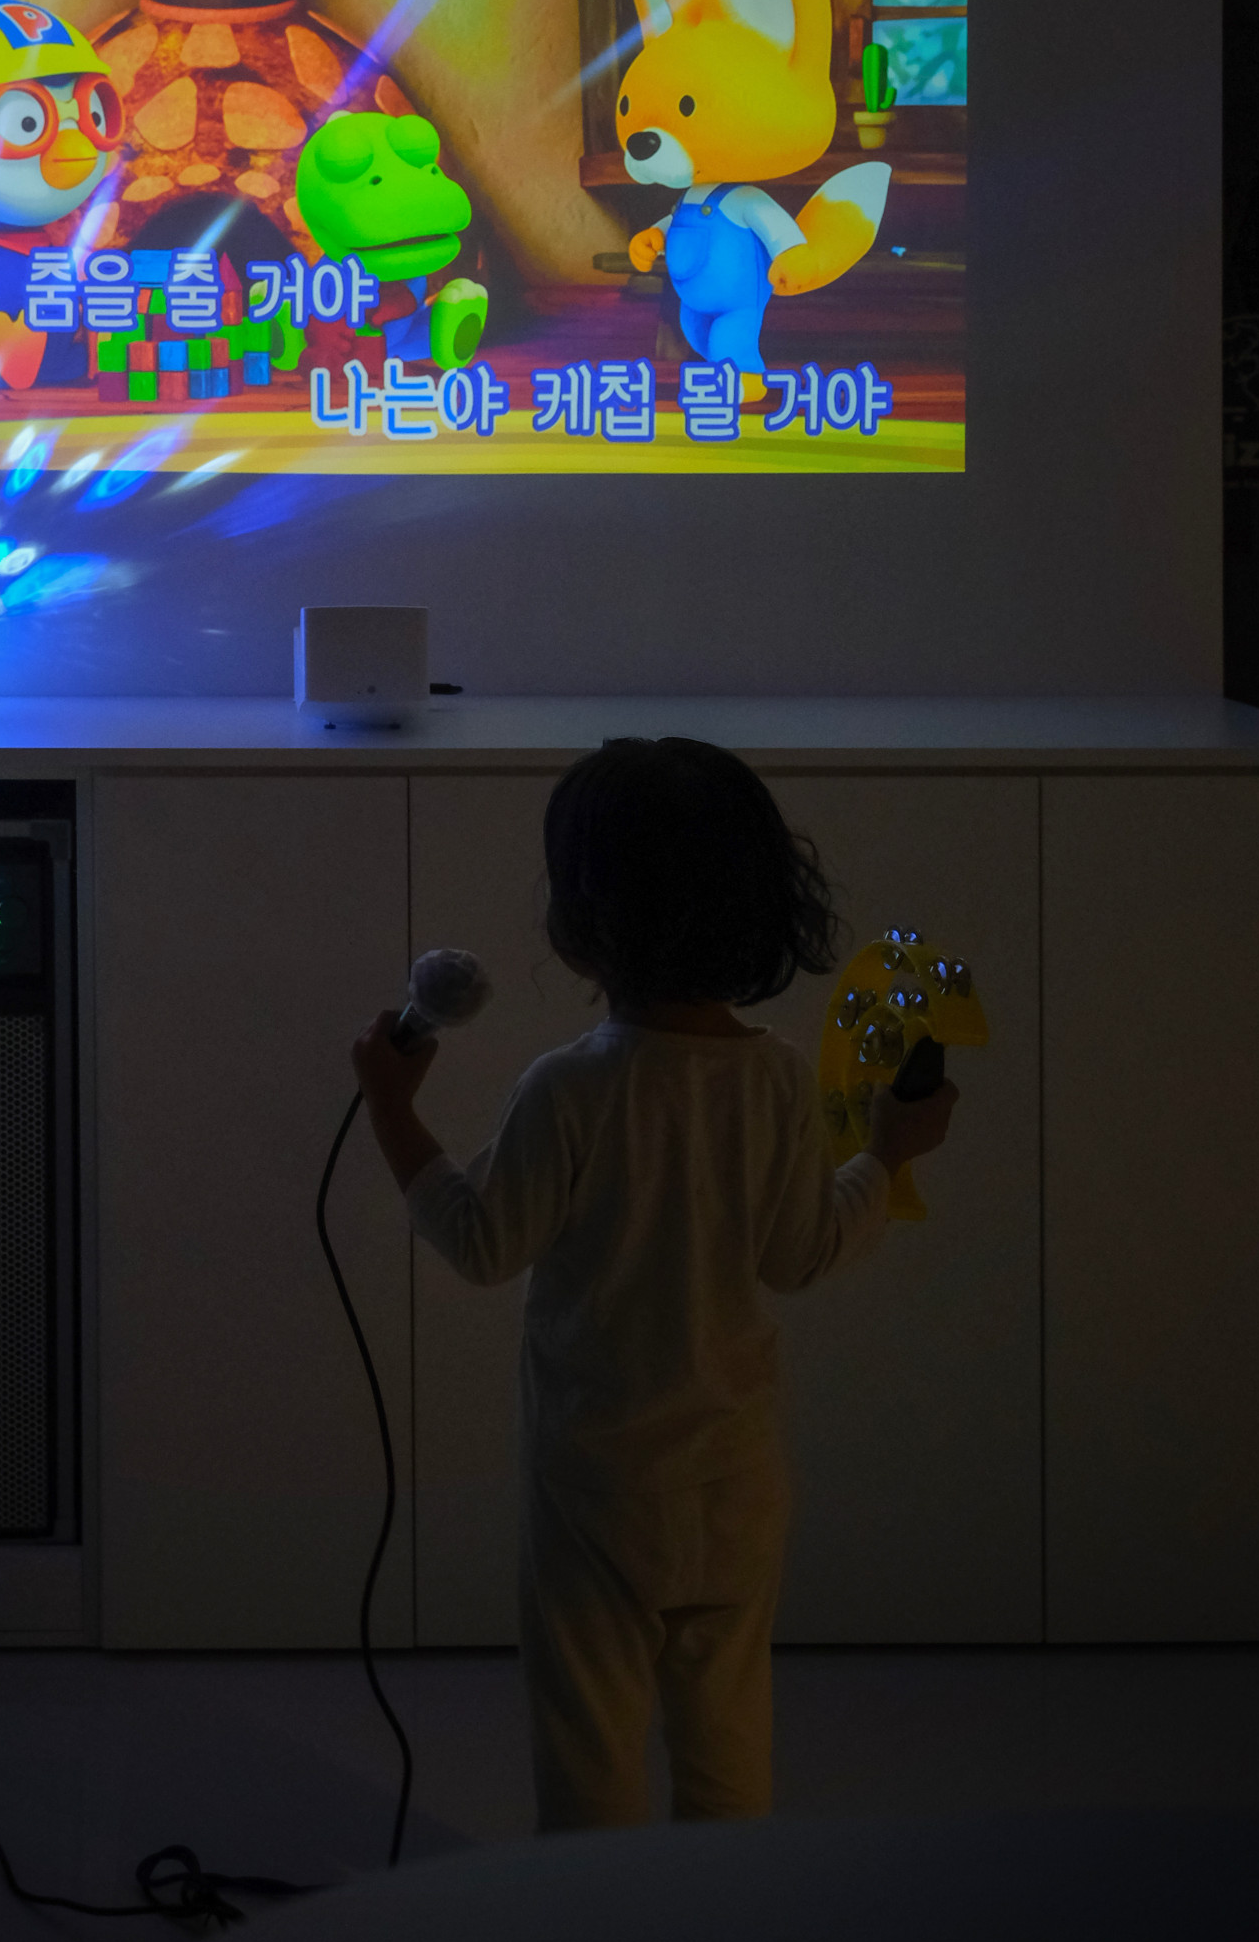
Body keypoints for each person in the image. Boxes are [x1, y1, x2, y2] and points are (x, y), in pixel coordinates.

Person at [351, 735, 958, 1832]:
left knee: (589, 1757)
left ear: (583, 920)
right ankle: (719, 1928)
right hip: (736, 1483)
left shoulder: (568, 1089)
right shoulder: (775, 1077)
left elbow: (480, 1242)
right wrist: (887, 1154)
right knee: (728, 1749)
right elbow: (801, 1254)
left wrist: (393, 1110)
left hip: (594, 1490)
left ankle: (605, 1936)